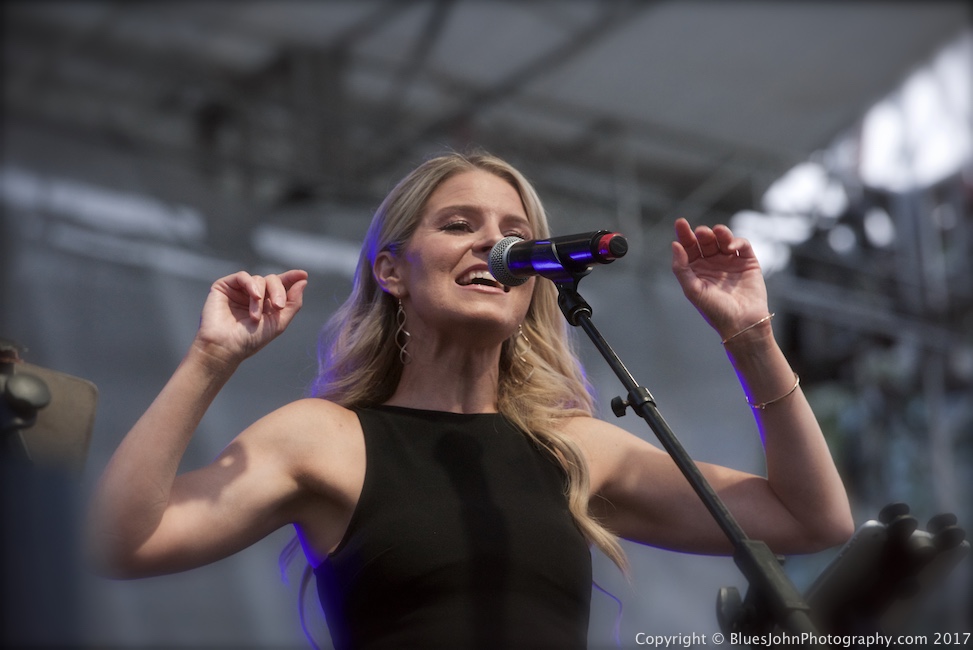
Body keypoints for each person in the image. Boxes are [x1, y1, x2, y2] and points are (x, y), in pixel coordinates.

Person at [87, 151, 854, 649]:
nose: (492, 248)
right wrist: (210, 359)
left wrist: (750, 338)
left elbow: (811, 519)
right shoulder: (326, 439)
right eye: (458, 226)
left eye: (513, 235)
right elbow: (122, 542)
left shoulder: (572, 448)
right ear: (392, 272)